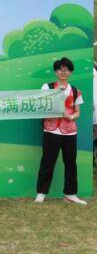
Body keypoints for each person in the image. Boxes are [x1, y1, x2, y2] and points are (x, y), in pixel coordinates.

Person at [35, 57, 87, 205]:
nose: (63, 72)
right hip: (51, 130)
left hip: (70, 132)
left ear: (71, 72)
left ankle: (70, 194)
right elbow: (42, 105)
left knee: (71, 163)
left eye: (67, 70)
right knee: (47, 161)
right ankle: (41, 193)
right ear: (56, 71)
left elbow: (77, 112)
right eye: (60, 69)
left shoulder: (75, 91)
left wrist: (71, 116)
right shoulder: (47, 87)